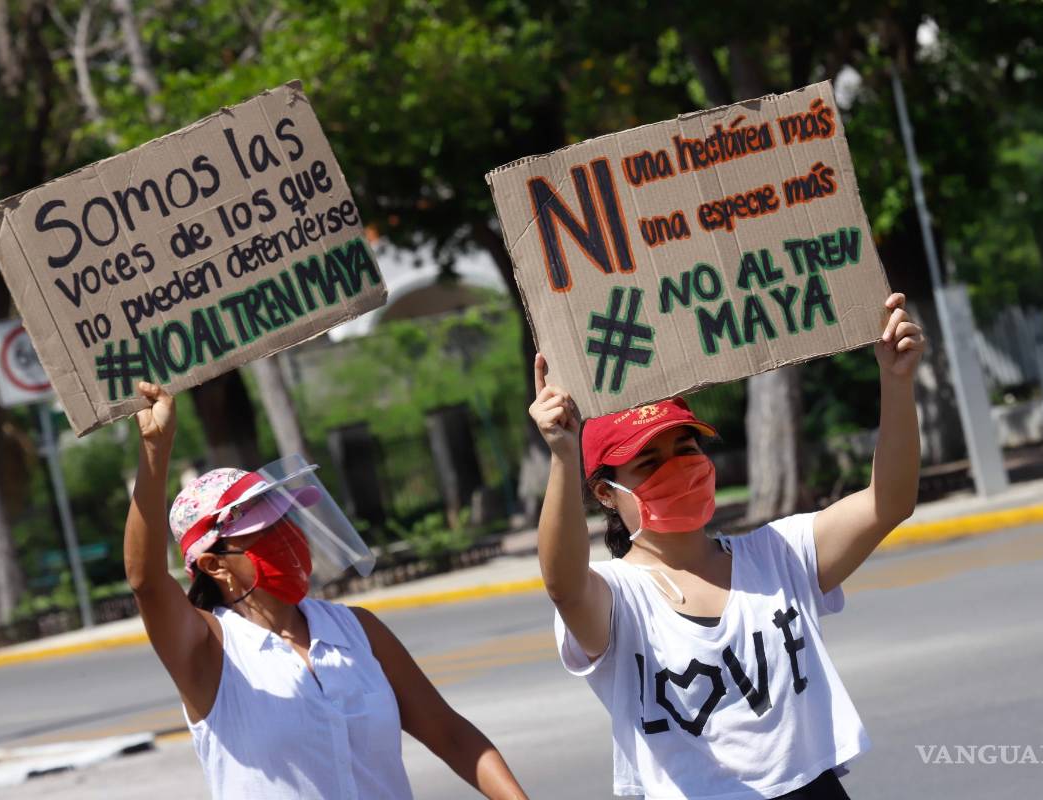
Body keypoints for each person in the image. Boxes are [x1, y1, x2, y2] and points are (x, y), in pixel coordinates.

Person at [529, 293, 925, 799]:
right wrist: (564, 456)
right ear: (605, 492)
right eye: (649, 462)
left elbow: (888, 502)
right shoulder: (618, 597)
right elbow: (563, 586)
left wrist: (896, 381)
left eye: (686, 448)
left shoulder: (778, 555)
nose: (677, 469)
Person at [124, 381, 528, 800]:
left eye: (285, 521)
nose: (285, 538)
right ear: (214, 564)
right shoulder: (208, 650)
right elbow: (145, 582)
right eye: (264, 532)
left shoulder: (358, 630)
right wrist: (155, 450)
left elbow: (451, 735)